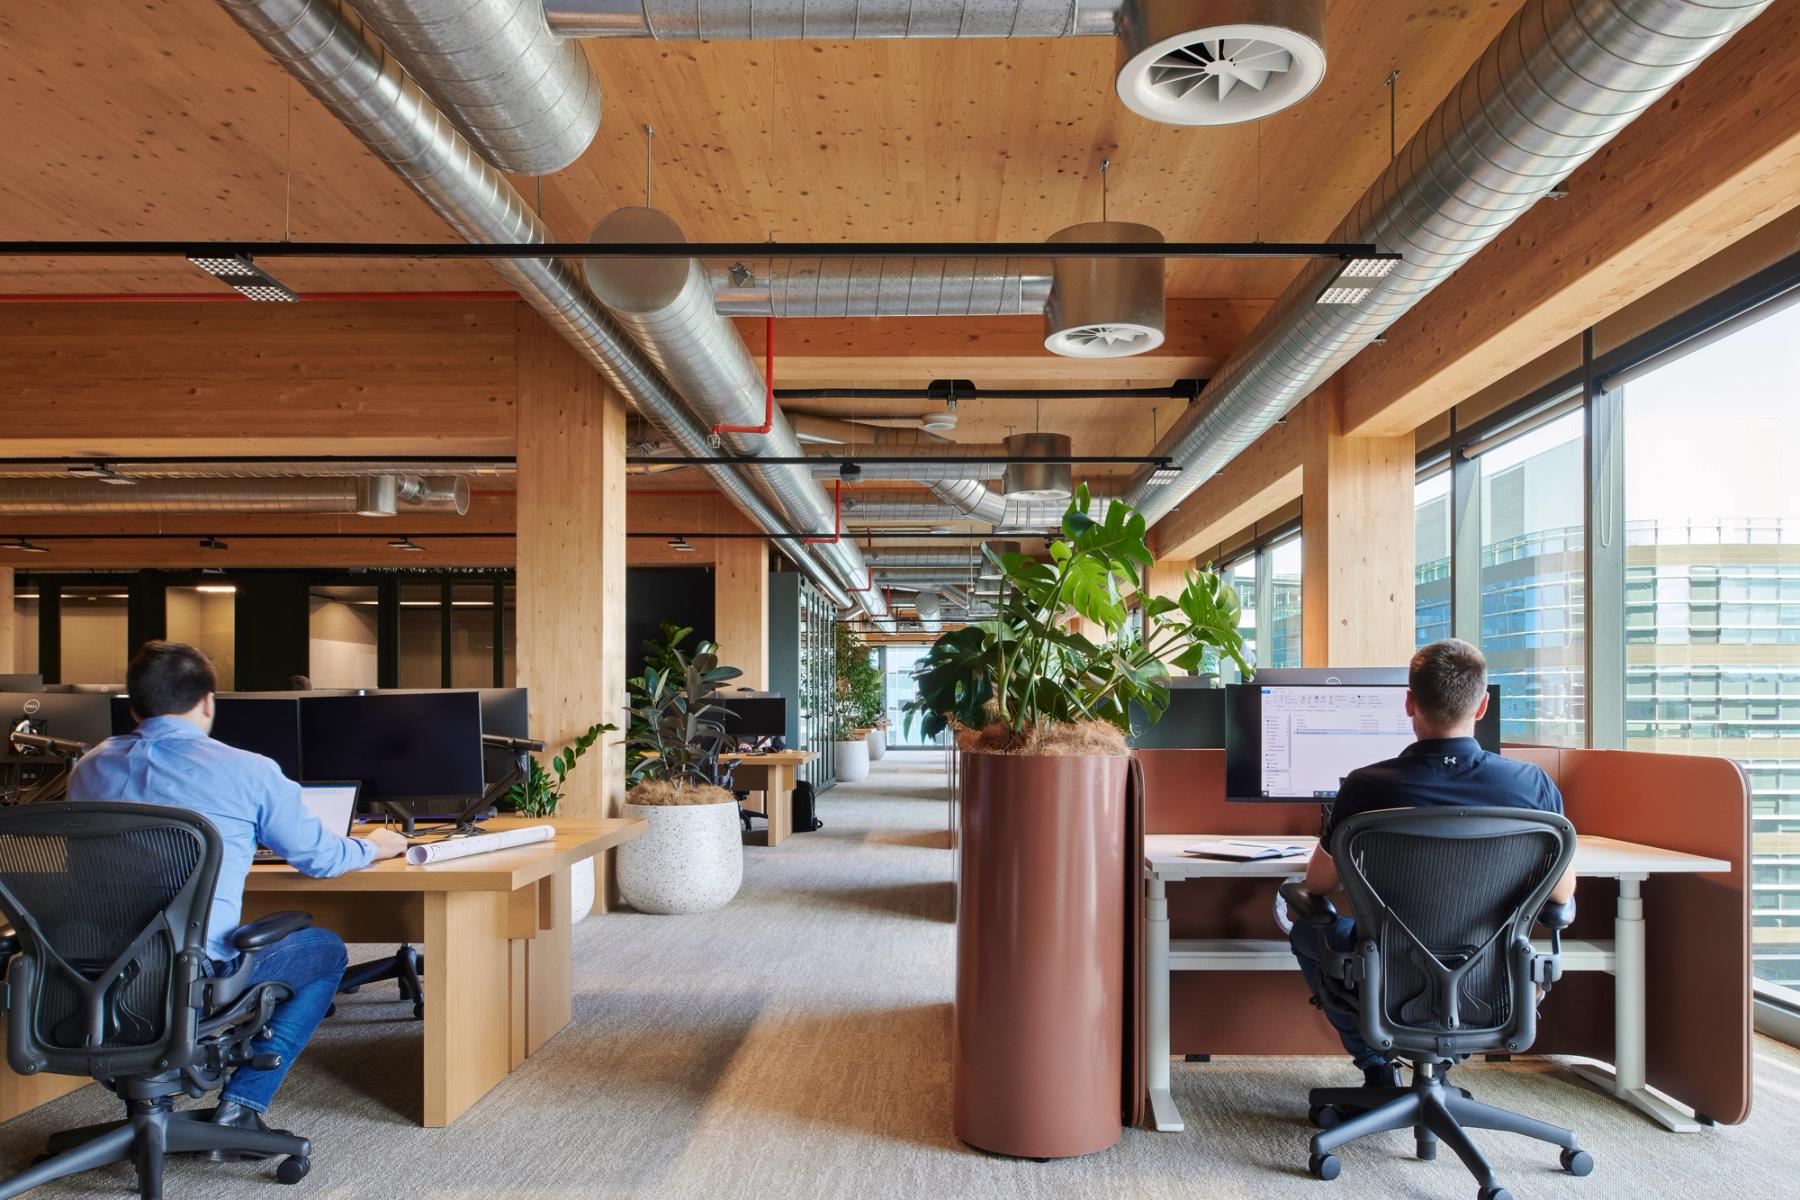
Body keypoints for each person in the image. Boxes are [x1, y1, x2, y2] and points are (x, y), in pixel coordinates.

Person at [69, 641, 407, 1145]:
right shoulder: (248, 771)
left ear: (133, 706)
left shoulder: (90, 767)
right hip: (194, 978)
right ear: (208, 701)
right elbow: (322, 859)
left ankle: (159, 1101)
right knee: (325, 950)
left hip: (89, 977)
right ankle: (243, 1105)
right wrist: (375, 846)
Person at [1288, 638, 1576, 1088]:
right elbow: (1561, 896)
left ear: (1408, 703)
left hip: (1389, 968)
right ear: (1482, 706)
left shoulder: (1366, 788)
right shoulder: (1531, 786)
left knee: (1310, 927)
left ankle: (1377, 1067)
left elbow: (1318, 884)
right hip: (1492, 977)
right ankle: (1437, 1068)